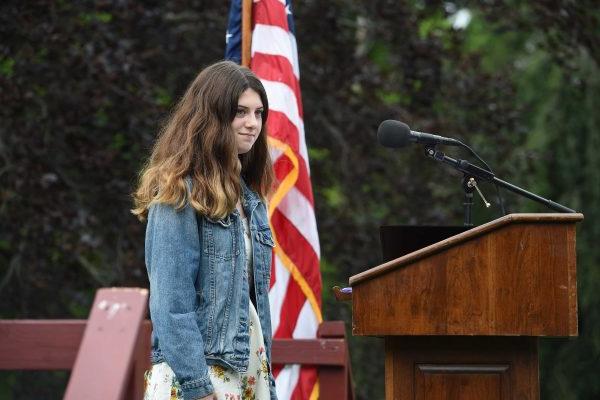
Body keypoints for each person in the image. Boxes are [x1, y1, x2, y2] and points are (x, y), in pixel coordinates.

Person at [132, 60, 277, 400]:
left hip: (248, 370)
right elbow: (171, 301)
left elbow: (254, 303)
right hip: (195, 377)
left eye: (258, 114)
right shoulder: (179, 192)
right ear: (211, 115)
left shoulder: (252, 201)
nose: (252, 124)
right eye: (240, 112)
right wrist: (198, 387)